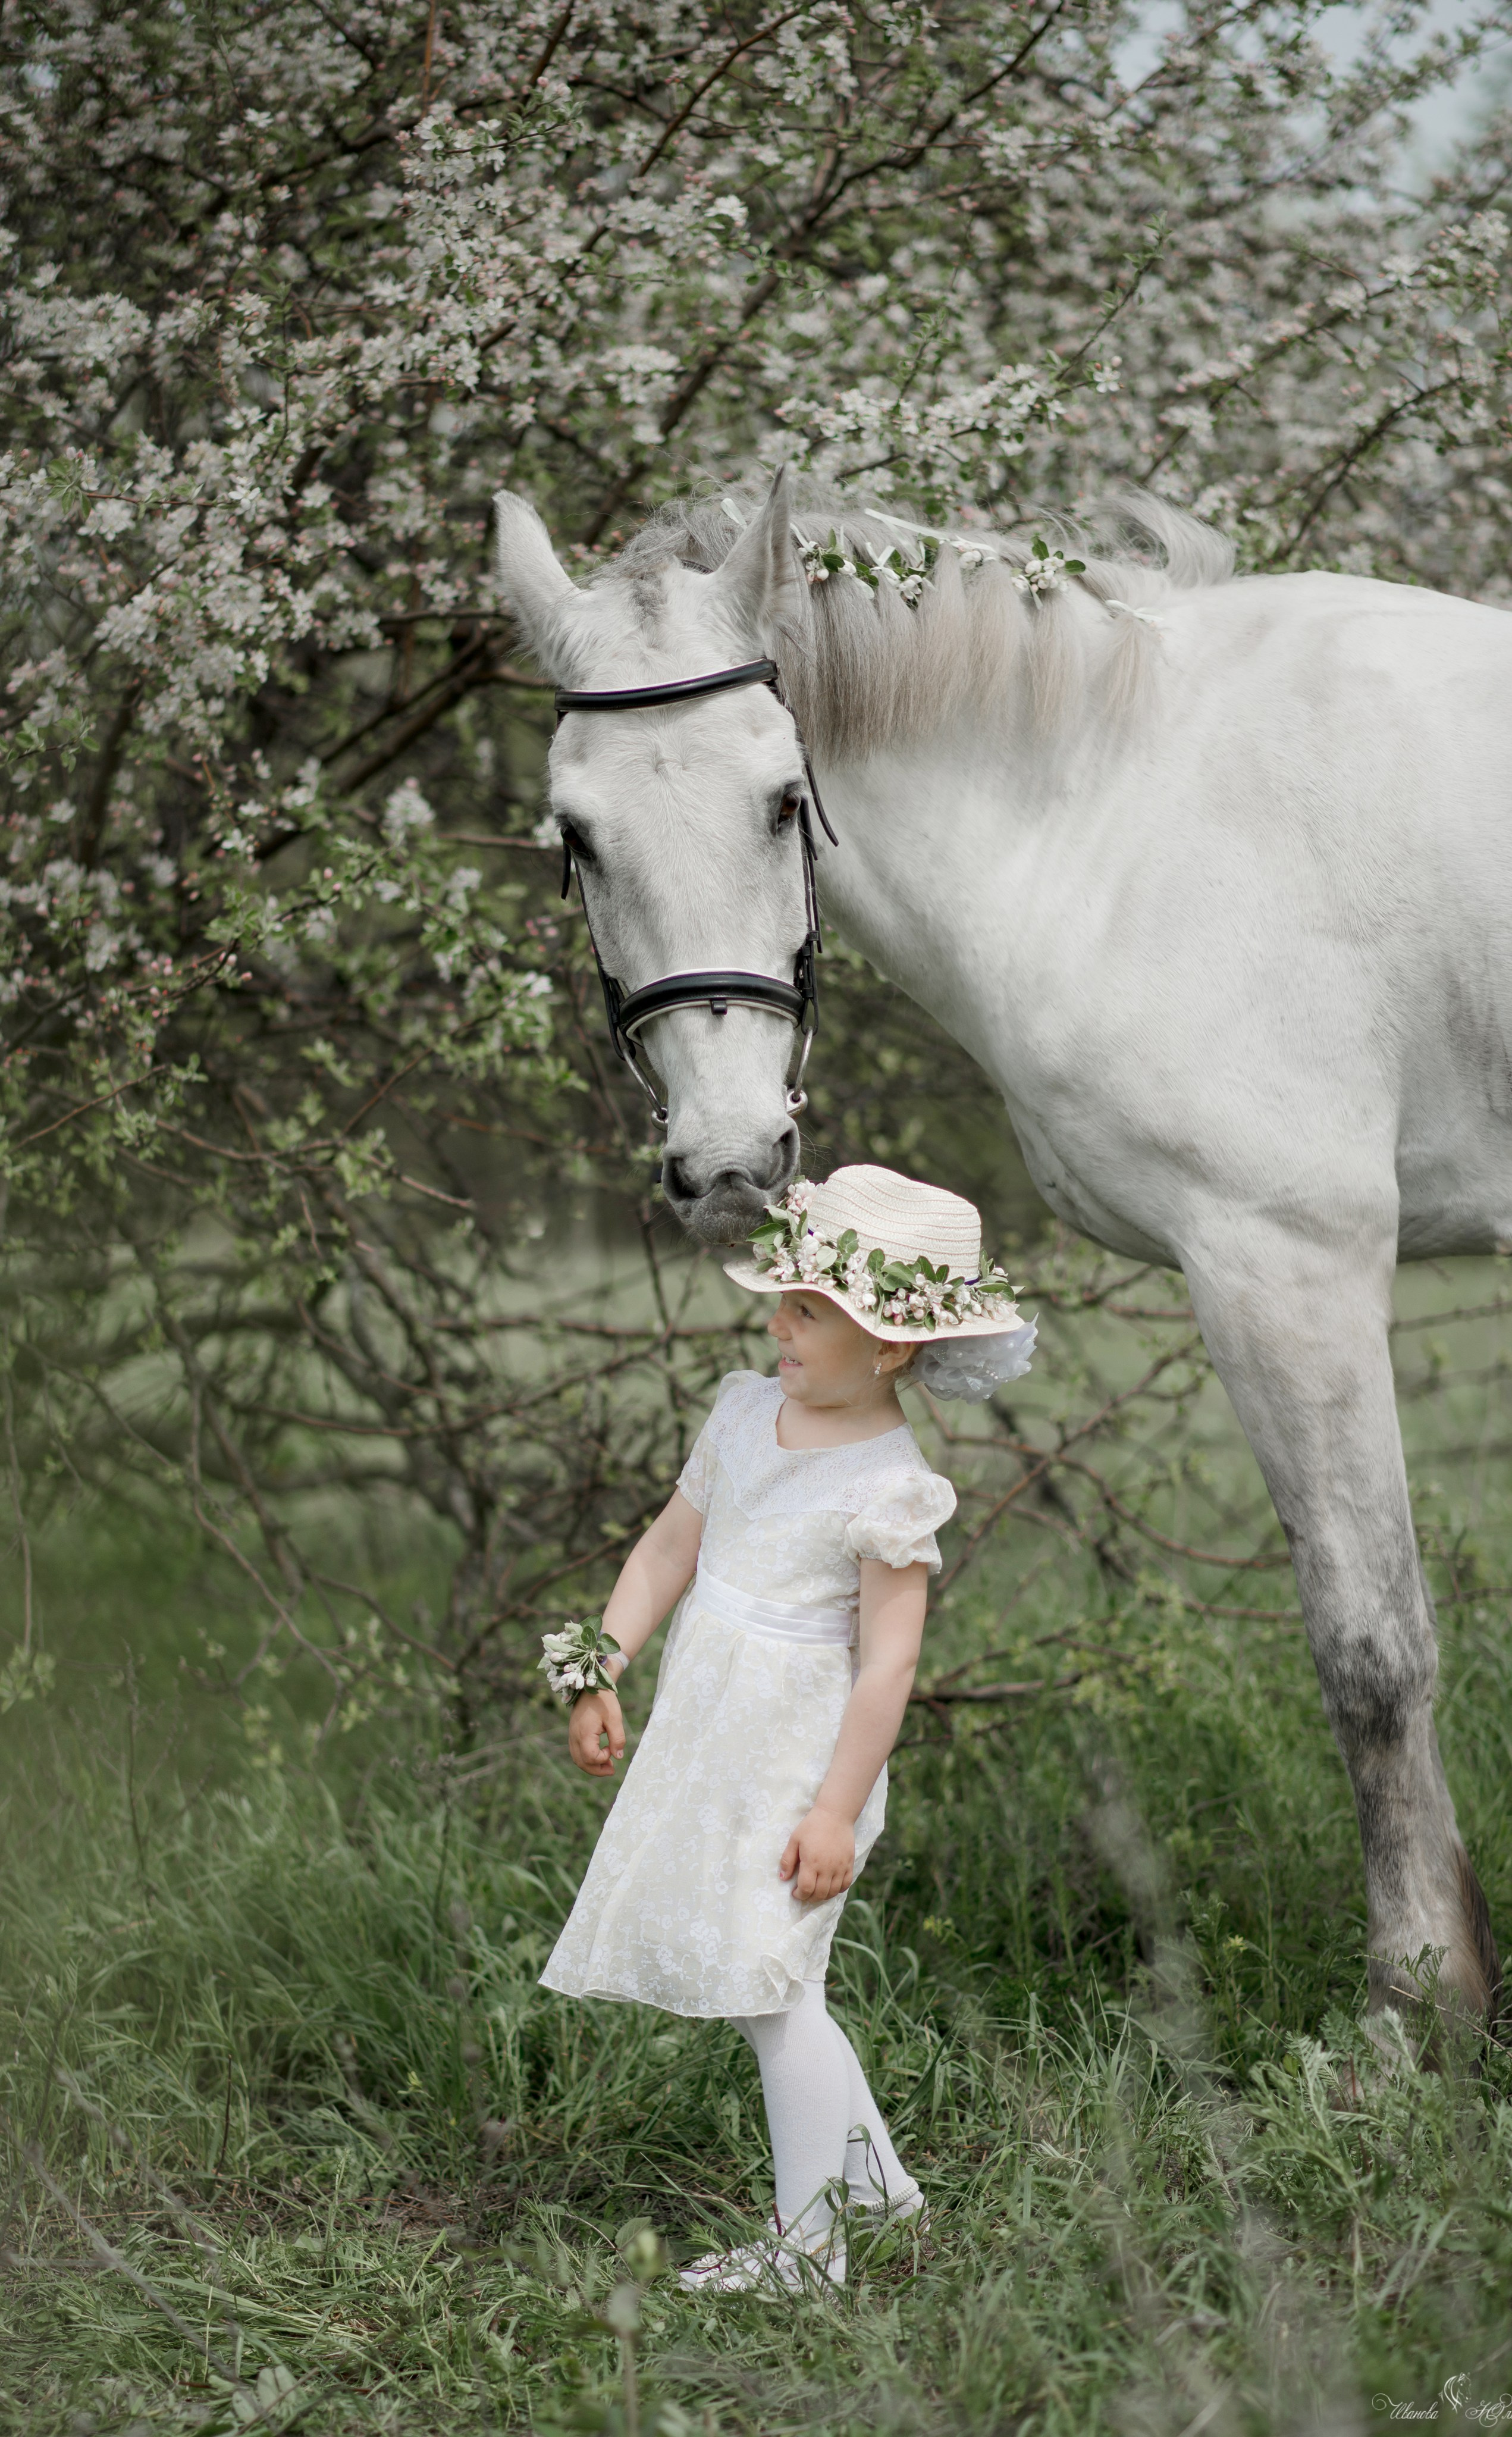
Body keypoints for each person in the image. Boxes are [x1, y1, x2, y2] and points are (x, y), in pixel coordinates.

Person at [538, 1164, 1036, 2292]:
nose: (778, 1323)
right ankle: (878, 2194)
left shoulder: (889, 1487)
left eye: (808, 1310)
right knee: (773, 1985)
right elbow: (667, 1550)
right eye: (783, 1300)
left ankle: (810, 2249)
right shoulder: (742, 1414)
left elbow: (887, 1666)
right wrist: (598, 1662)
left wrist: (833, 1811)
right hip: (707, 1741)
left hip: (800, 1760)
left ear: (890, 1348)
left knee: (772, 1987)